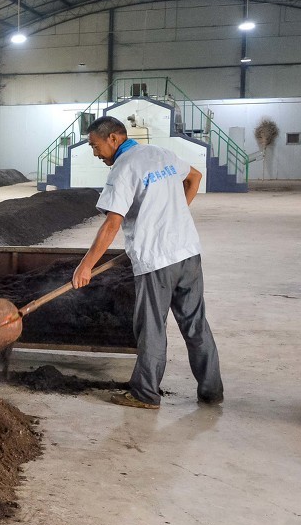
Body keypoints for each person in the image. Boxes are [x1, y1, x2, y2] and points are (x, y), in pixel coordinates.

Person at [71, 116, 224, 409]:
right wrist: (174, 215)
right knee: (195, 325)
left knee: (151, 327)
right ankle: (211, 391)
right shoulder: (160, 153)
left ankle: (145, 394)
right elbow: (195, 177)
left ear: (113, 138)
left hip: (157, 260)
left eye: (95, 145)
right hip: (188, 252)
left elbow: (112, 224)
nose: (94, 152)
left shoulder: (123, 168)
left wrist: (86, 265)